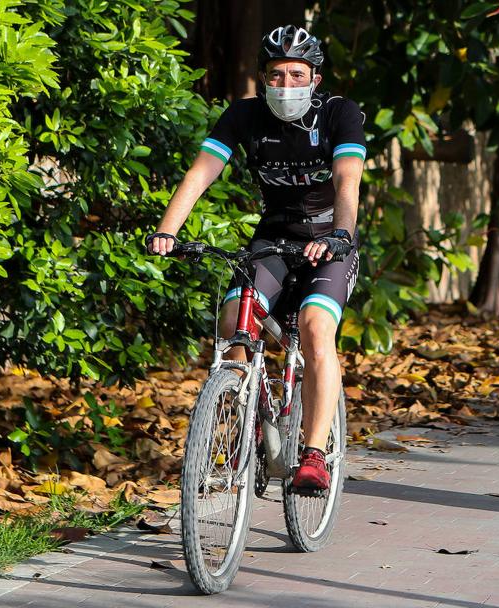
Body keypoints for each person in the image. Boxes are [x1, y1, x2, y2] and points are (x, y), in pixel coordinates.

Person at [146, 25, 366, 491]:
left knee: (313, 327)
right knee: (233, 321)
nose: (285, 85)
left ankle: (312, 455)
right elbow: (202, 170)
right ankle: (252, 422)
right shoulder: (244, 116)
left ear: (315, 79)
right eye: (275, 75)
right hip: (273, 239)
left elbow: (348, 180)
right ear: (262, 79)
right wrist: (169, 229)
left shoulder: (340, 115)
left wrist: (342, 233)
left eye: (295, 74)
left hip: (329, 241)